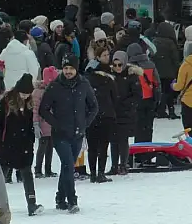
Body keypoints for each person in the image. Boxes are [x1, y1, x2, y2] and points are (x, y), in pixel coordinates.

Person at [39, 53, 98, 213]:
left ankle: (60, 198)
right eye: (65, 68)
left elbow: (94, 107)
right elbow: (43, 109)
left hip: (78, 134)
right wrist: (56, 124)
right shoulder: (55, 86)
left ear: (76, 69)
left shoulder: (84, 84)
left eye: (71, 68)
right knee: (67, 165)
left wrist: (85, 124)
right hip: (60, 135)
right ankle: (72, 200)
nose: (68, 71)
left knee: (68, 166)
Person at [0, 74, 42, 216]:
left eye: (28, 94)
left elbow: (29, 125)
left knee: (27, 174)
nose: (25, 96)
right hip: (6, 145)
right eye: (23, 93)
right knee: (0, 177)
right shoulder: (6, 102)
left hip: (23, 145)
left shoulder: (29, 104)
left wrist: (30, 140)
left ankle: (32, 204)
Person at [84, 46, 117, 183]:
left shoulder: (88, 75)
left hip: (94, 114)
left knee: (95, 145)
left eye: (107, 55)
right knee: (101, 145)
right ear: (98, 57)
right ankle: (99, 173)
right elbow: (115, 96)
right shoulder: (107, 76)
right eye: (104, 55)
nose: (106, 57)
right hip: (104, 113)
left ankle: (95, 173)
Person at [109, 51, 142, 176]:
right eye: (115, 64)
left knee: (122, 139)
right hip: (113, 112)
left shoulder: (131, 76)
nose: (117, 67)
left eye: (120, 65)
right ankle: (113, 165)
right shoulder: (110, 76)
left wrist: (125, 104)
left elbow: (137, 95)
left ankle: (123, 164)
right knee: (113, 140)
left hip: (126, 113)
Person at [127, 43, 161, 149]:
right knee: (148, 128)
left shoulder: (129, 67)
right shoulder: (151, 64)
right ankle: (147, 152)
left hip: (137, 101)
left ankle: (139, 152)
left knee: (138, 129)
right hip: (150, 99)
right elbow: (157, 83)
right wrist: (157, 100)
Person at [151, 21, 181, 119]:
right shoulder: (171, 43)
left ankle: (159, 109)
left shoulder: (154, 41)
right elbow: (175, 58)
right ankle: (169, 111)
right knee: (169, 92)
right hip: (169, 72)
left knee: (160, 91)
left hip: (157, 72)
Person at [32, 66, 58, 178]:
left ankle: (48, 169)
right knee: (42, 147)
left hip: (52, 124)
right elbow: (35, 109)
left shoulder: (55, 91)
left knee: (50, 147)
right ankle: (38, 169)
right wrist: (36, 123)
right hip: (43, 124)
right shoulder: (39, 92)